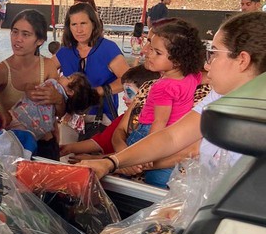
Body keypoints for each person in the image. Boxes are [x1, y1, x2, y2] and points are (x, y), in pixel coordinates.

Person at [81, 11, 266, 179]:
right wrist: (111, 163)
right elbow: (172, 137)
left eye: (214, 54)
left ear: (242, 60)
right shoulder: (220, 97)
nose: (207, 65)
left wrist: (115, 163)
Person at [122, 20, 204, 187]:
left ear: (178, 60)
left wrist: (150, 152)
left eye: (157, 53)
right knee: (163, 177)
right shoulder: (192, 77)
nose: (149, 54)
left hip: (150, 133)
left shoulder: (162, 86)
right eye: (151, 49)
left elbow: (159, 121)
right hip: (176, 137)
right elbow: (206, 74)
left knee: (144, 174)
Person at [0, 9, 66, 160]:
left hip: (45, 145)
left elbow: (59, 113)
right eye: (14, 32)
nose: (17, 39)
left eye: (25, 34)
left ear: (40, 40)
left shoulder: (48, 66)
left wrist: (58, 99)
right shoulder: (1, 71)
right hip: (14, 147)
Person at [53, 2, 130, 127]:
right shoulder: (65, 51)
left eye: (83, 23)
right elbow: (44, 69)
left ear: (93, 24)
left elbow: (129, 81)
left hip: (102, 117)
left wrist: (98, 91)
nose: (79, 30)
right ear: (69, 27)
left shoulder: (107, 49)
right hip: (71, 117)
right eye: (74, 24)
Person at [60, 65, 160, 160]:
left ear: (146, 92)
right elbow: (101, 140)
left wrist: (96, 159)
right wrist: (68, 148)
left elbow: (141, 155)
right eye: (124, 92)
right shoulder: (124, 118)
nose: (124, 97)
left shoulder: (157, 121)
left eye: (129, 93)